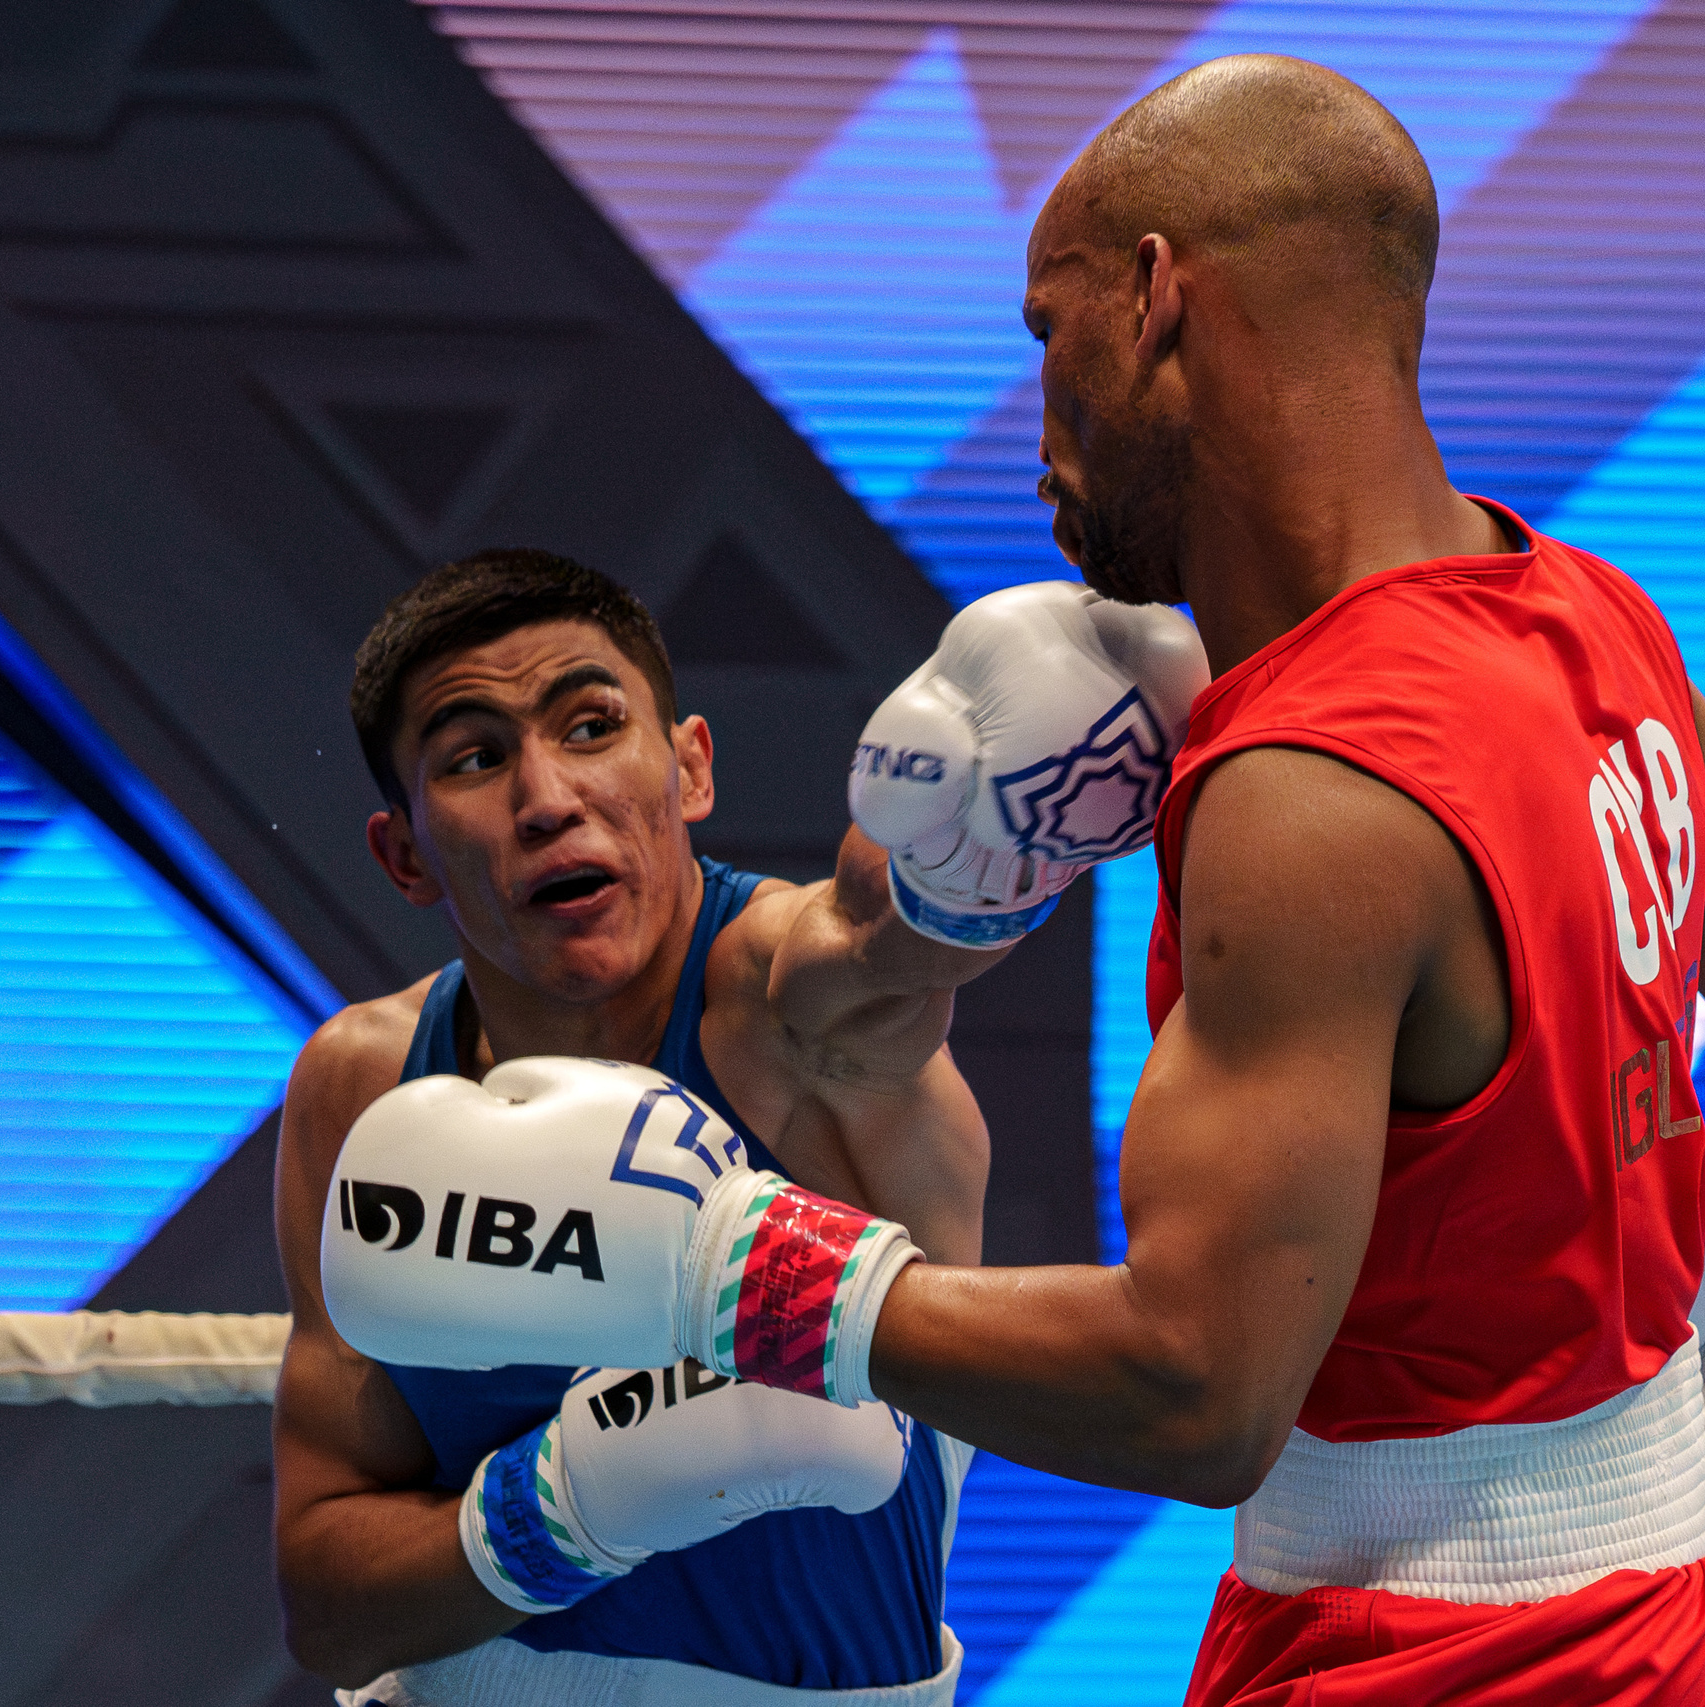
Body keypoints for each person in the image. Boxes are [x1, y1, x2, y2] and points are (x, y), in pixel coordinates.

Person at [322, 58, 1705, 1706]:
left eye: (1050, 333)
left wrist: (745, 1265)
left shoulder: (1306, 784)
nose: (1040, 437)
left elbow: (1197, 1393)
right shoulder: (1594, 619)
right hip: (1664, 1614)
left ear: (1157, 298)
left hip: (1415, 1653)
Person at [272, 548, 1200, 1705]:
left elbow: (872, 944)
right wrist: (563, 1510)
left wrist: (986, 851)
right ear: (404, 854)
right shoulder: (364, 1087)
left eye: (592, 727)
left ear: (690, 767)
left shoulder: (779, 1006)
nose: (547, 798)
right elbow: (328, 1609)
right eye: (475, 757)